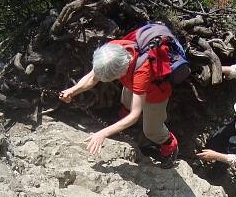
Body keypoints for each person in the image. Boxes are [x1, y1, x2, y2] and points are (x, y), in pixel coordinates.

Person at [59, 37, 179, 168]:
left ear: (122, 71)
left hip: (155, 94)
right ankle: (123, 125)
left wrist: (103, 133)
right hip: (132, 84)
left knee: (151, 130)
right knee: (126, 102)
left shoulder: (141, 72)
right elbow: (93, 76)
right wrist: (72, 90)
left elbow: (134, 115)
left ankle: (170, 145)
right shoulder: (111, 52)